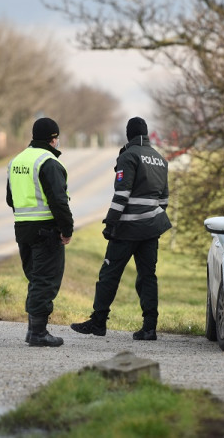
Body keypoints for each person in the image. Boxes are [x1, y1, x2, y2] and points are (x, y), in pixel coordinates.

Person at [71, 117, 171, 341]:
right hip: (151, 228)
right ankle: (149, 328)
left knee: (109, 273)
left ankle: (98, 322)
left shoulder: (129, 156)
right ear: (146, 133)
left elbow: (122, 194)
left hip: (127, 229)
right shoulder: (160, 159)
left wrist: (111, 222)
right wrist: (150, 217)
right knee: (148, 276)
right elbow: (164, 199)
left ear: (129, 134)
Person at [6, 117, 73, 347]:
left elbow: (9, 199)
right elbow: (59, 201)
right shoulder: (49, 162)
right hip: (46, 230)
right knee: (45, 280)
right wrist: (67, 229)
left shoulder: (17, 160)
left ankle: (33, 329)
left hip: (23, 228)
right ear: (53, 139)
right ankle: (38, 333)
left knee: (35, 278)